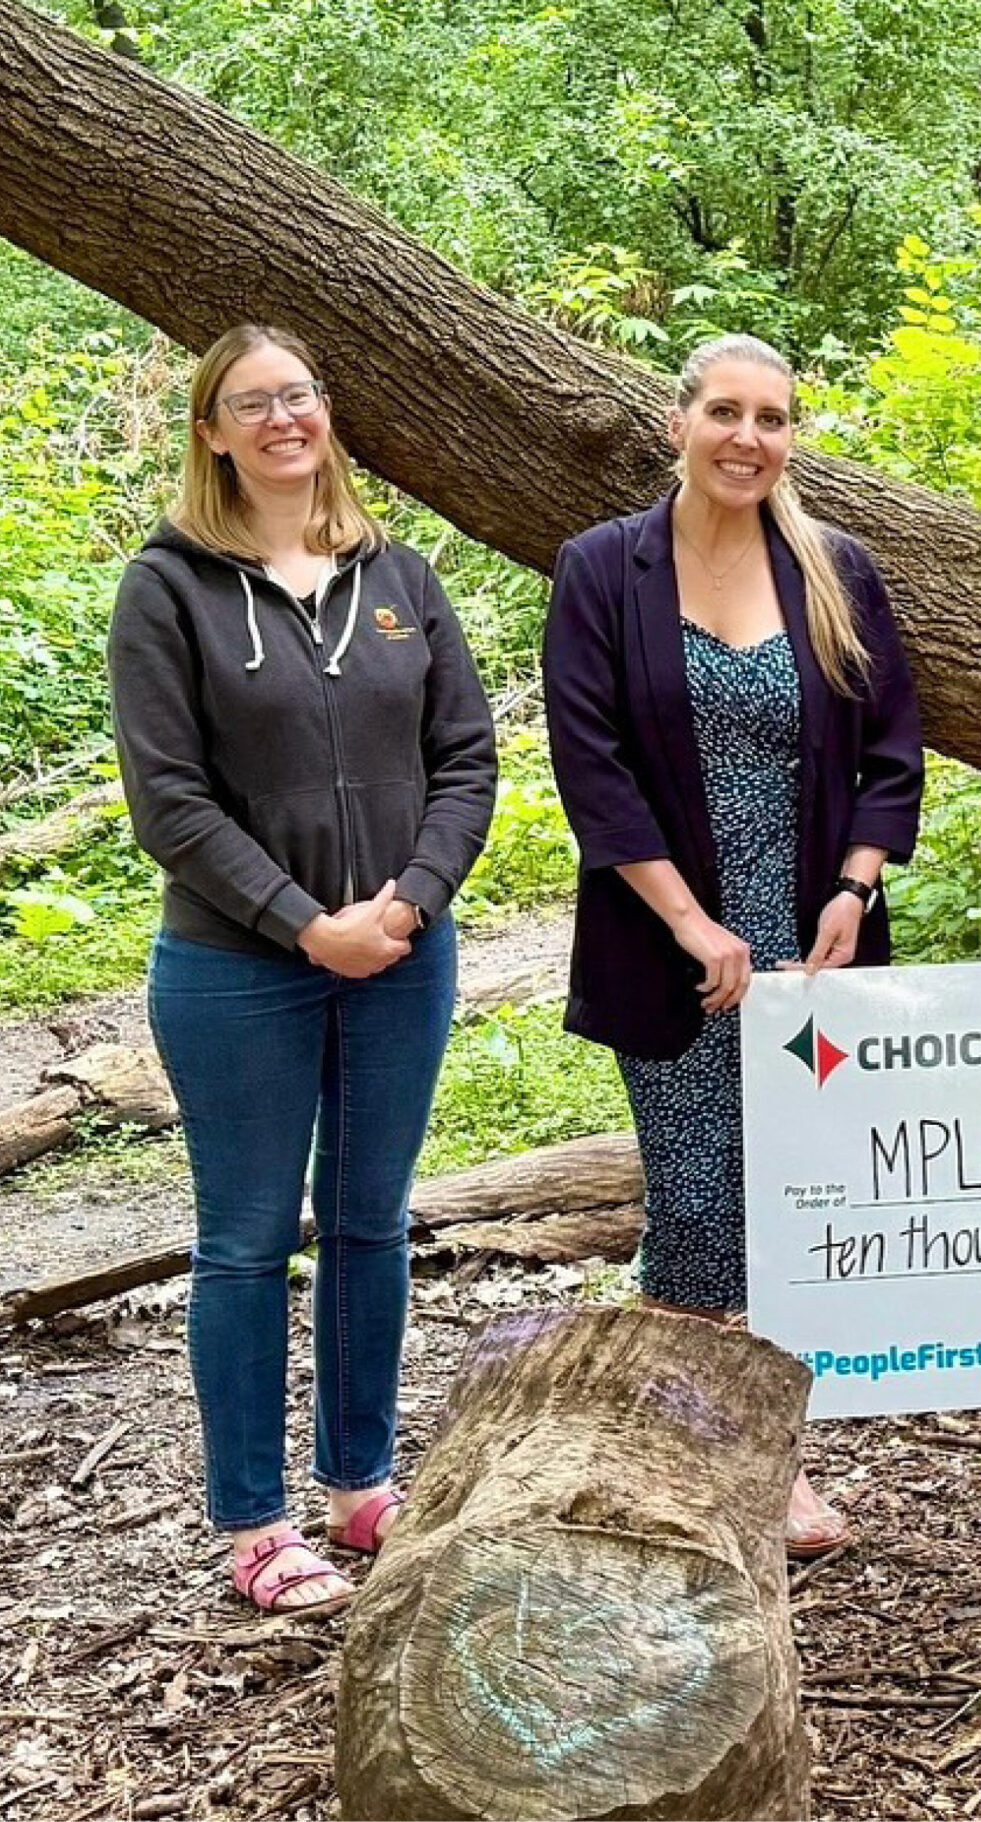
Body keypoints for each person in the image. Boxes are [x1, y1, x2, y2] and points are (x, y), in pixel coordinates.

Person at [109, 324, 496, 1612]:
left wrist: (412, 899)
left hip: (401, 952)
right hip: (236, 969)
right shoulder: (168, 589)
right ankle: (258, 1524)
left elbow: (466, 760)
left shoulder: (402, 575)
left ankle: (361, 1483)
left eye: (302, 395)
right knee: (244, 1240)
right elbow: (167, 801)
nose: (284, 418)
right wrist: (299, 920)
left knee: (374, 1222)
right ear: (211, 432)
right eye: (252, 403)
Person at [544, 333, 926, 1550]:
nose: (747, 437)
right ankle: (702, 1460)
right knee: (698, 1191)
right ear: (677, 423)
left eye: (773, 417)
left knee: (796, 1198)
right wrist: (690, 922)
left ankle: (764, 1449)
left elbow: (890, 749)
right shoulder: (604, 569)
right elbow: (590, 763)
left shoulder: (835, 570)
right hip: (673, 946)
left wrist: (856, 888)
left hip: (814, 946)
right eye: (725, 411)